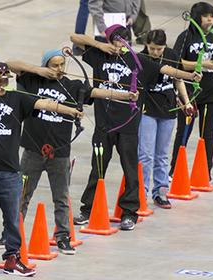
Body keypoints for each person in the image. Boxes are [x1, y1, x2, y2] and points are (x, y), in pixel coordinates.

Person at [0, 61, 84, 277]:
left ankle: (12, 259)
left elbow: (46, 104)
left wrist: (72, 111)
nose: (2, 84)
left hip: (11, 172)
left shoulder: (17, 98)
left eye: (5, 80)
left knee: (13, 218)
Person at [5, 48, 139, 254]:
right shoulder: (33, 81)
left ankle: (63, 237)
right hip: (33, 150)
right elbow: (10, 64)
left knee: (61, 198)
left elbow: (99, 92)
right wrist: (40, 72)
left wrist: (126, 95)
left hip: (59, 152)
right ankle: (12, 236)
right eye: (54, 65)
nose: (59, 69)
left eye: (61, 65)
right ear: (46, 65)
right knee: (22, 196)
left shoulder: (72, 86)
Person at [70, 24, 202, 230]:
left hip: (128, 126)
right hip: (104, 125)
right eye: (116, 43)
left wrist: (189, 75)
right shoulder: (99, 56)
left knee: (131, 170)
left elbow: (166, 70)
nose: (119, 48)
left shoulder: (138, 60)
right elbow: (75, 37)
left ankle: (129, 213)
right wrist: (101, 46)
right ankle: (87, 210)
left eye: (124, 43)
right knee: (97, 169)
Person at [169, 2, 213, 181]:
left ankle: (205, 171)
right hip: (188, 93)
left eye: (212, 16)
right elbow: (176, 62)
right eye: (205, 16)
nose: (209, 19)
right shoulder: (186, 36)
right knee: (183, 132)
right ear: (196, 17)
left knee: (207, 134)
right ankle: (174, 170)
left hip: (211, 93)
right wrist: (201, 64)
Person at [138, 29, 193, 209]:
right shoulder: (140, 58)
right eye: (152, 48)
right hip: (147, 109)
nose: (155, 52)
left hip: (168, 108)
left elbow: (178, 79)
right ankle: (141, 194)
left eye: (159, 49)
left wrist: (187, 102)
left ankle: (160, 192)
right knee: (145, 155)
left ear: (165, 46)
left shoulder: (171, 55)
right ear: (146, 45)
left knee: (161, 154)